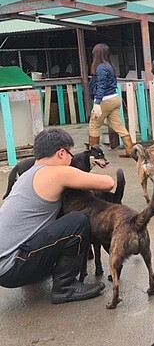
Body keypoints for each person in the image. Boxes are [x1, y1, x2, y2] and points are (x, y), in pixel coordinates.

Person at [0, 128, 114, 304]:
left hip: (6, 266)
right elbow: (108, 183)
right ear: (61, 153)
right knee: (77, 220)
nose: (71, 159)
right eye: (70, 154)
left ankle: (43, 274)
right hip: (12, 267)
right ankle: (65, 287)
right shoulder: (56, 172)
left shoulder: (27, 175)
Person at [87, 43, 134, 157]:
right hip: (114, 98)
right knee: (118, 125)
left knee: (94, 125)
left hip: (104, 100)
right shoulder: (109, 66)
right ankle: (130, 150)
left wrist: (97, 103)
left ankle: (93, 153)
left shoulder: (101, 68)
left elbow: (101, 86)